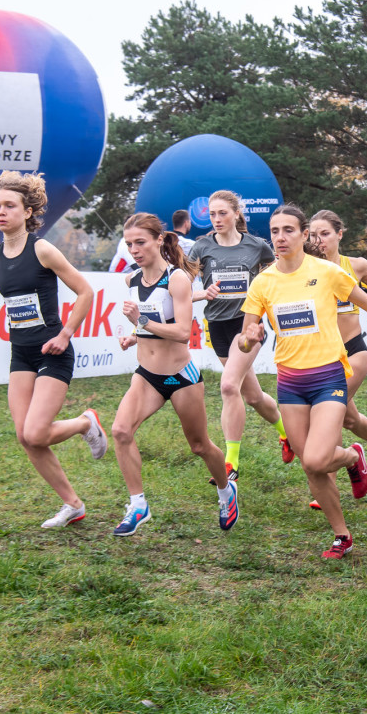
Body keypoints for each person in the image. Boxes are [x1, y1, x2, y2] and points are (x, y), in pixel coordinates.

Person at [236, 204, 367, 558]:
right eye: (274, 231)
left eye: (288, 230)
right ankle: (342, 534)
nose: (280, 237)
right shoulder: (264, 282)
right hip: (290, 383)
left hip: (329, 376)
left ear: (302, 234)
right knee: (310, 464)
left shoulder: (326, 271)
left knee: (315, 459)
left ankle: (354, 457)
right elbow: (244, 339)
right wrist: (250, 336)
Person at [0, 171, 106, 529]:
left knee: (36, 433)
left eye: (9, 206)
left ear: (27, 212)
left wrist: (67, 334)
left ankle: (85, 423)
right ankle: (72, 504)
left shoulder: (42, 249)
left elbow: (85, 292)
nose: (1, 212)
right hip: (21, 354)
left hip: (53, 351)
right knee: (24, 436)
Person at [111, 213, 238, 536]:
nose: (134, 250)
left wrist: (140, 323)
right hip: (147, 376)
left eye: (140, 242)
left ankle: (226, 491)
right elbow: (152, 325)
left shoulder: (177, 279)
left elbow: (182, 332)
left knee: (200, 446)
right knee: (121, 431)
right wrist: (134, 337)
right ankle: (138, 504)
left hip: (181, 376)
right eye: (129, 244)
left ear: (158, 240)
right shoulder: (132, 280)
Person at [189, 191, 290, 487]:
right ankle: (288, 435)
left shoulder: (257, 247)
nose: (217, 219)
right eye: (212, 215)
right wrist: (202, 294)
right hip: (217, 326)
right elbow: (181, 286)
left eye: (222, 213)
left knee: (229, 385)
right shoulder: (202, 246)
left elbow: (275, 279)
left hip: (247, 325)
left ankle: (230, 463)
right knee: (253, 396)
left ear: (236, 213)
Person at [310, 210, 367, 490]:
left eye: (325, 234)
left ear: (339, 234)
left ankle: (329, 485)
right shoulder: (306, 267)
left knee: (329, 413)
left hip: (353, 351)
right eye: (312, 234)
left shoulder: (355, 265)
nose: (318, 240)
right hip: (321, 356)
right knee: (349, 418)